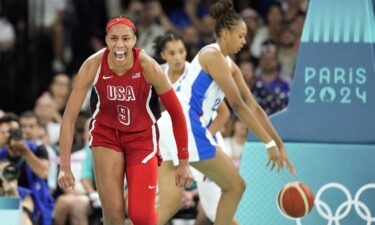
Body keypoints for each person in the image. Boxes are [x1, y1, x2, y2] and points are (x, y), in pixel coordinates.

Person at [157, 1, 296, 225]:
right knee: (235, 186)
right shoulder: (212, 55)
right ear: (224, 33)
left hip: (168, 127)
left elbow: (254, 106)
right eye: (240, 36)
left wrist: (279, 144)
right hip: (185, 126)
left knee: (171, 202)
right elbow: (238, 105)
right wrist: (268, 144)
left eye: (245, 36)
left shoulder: (230, 65)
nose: (244, 41)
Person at [57, 17, 194, 225]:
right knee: (113, 215)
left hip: (141, 138)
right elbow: (68, 118)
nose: (119, 45)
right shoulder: (93, 65)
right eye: (113, 38)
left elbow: (177, 113)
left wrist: (184, 162)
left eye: (125, 38)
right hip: (106, 135)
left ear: (134, 40)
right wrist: (64, 166)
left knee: (140, 215)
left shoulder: (149, 66)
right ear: (106, 40)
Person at [153, 32, 239, 225]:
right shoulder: (157, 74)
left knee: (215, 211)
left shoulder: (196, 72)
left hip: (204, 141)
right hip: (174, 143)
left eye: (181, 51)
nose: (178, 57)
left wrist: (200, 139)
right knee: (168, 202)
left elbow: (224, 113)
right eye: (172, 53)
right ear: (163, 55)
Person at [0, 113, 54, 225]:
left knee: (20, 214)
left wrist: (24, 150)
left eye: (14, 131)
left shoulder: (37, 149)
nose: (10, 135)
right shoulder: (2, 152)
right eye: (6, 132)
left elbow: (43, 173)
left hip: (32, 198)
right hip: (6, 194)